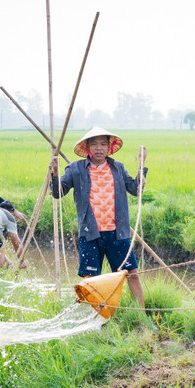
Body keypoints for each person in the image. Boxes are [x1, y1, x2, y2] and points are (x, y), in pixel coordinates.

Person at [50, 127, 147, 307]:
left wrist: (141, 165)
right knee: (92, 279)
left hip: (117, 233)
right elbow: (58, 193)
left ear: (109, 147)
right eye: (94, 144)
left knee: (131, 274)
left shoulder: (117, 167)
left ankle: (141, 316)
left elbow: (135, 189)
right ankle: (97, 317)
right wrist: (54, 174)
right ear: (86, 147)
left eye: (103, 144)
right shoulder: (75, 169)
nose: (99, 148)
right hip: (90, 233)